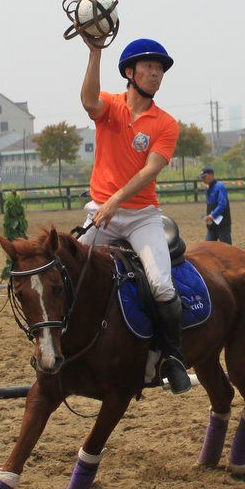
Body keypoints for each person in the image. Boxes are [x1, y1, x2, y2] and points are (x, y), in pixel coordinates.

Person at [76, 31, 191, 394]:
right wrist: (95, 52)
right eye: (148, 67)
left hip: (141, 216)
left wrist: (115, 202)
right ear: (130, 72)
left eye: (159, 69)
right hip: (101, 210)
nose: (156, 74)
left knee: (161, 285)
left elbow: (150, 171)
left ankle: (172, 358)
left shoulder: (166, 123)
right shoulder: (110, 106)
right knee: (69, 272)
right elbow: (87, 100)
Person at [200, 167, 232, 244]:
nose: (203, 179)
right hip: (212, 225)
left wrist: (212, 215)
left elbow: (222, 204)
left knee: (226, 249)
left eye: (204, 177)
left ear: (211, 175)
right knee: (207, 248)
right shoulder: (208, 189)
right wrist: (208, 216)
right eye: (202, 177)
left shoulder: (219, 187)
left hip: (222, 225)